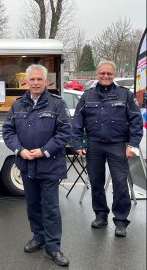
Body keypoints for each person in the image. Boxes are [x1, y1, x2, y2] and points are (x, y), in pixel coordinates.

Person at [2, 64, 71, 267]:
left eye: (39, 79)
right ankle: (38, 237)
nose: (35, 83)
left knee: (50, 207)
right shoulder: (18, 105)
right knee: (32, 206)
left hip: (49, 164)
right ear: (26, 81)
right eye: (32, 79)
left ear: (46, 81)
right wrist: (19, 150)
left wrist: (44, 151)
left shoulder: (57, 104)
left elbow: (64, 132)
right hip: (26, 164)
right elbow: (8, 131)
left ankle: (53, 248)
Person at [72, 60, 143, 237]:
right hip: (94, 145)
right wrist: (78, 144)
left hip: (118, 145)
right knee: (96, 182)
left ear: (114, 75)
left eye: (109, 74)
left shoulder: (125, 95)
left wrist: (132, 145)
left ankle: (120, 221)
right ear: (97, 74)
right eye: (102, 73)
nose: (105, 76)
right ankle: (101, 215)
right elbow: (77, 122)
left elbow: (136, 121)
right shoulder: (87, 95)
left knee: (120, 184)